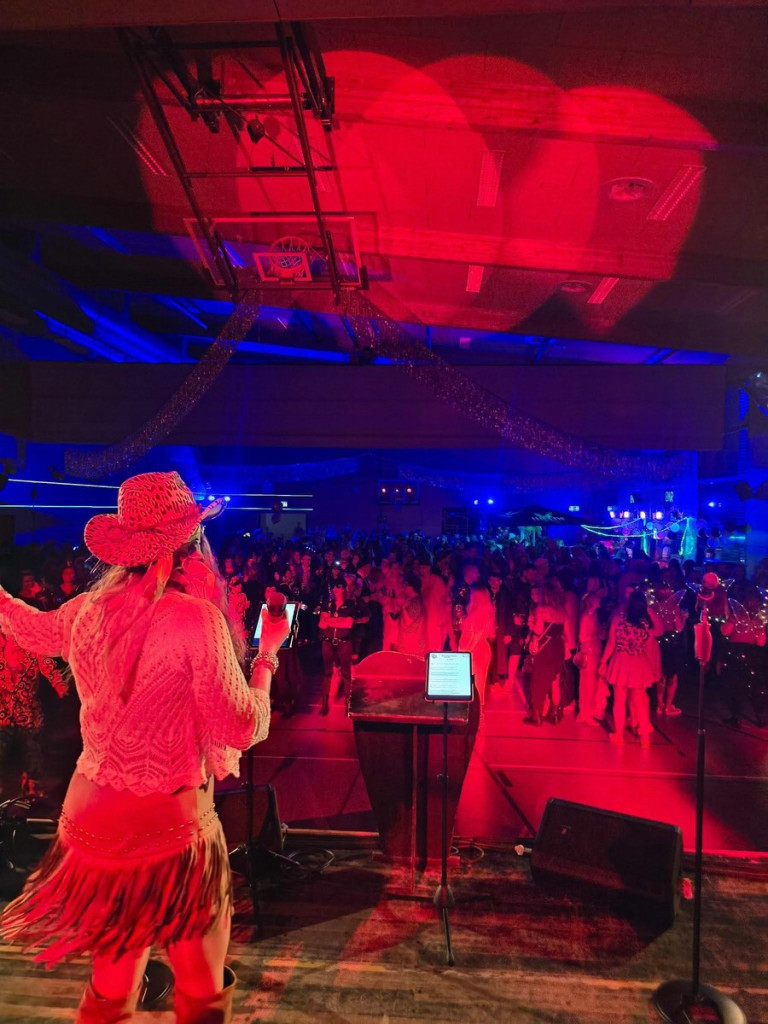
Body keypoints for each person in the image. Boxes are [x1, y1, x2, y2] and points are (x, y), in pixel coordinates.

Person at [0, 471, 290, 1024]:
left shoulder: (87, 610)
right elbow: (242, 727)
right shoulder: (195, 619)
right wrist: (267, 656)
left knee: (111, 989)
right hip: (170, 829)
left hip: (92, 824)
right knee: (200, 989)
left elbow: (30, 628)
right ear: (190, 545)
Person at [599, 590, 660, 747]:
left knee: (619, 701)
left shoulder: (618, 620)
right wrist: (653, 667)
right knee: (639, 702)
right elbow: (649, 647)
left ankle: (619, 735)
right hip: (639, 663)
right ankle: (644, 738)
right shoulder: (646, 624)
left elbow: (611, 643)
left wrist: (603, 662)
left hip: (621, 662)